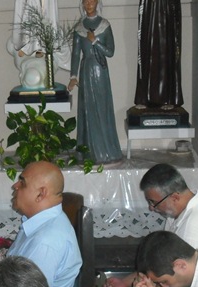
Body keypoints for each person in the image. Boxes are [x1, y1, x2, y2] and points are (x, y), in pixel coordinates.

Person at [68, 0, 122, 164]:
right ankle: (89, 151)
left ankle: (106, 150)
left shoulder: (104, 25)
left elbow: (110, 52)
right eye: (86, 1)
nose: (89, 4)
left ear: (97, 2)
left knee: (101, 108)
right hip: (86, 71)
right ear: (83, 4)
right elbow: (76, 54)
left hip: (100, 70)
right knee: (88, 109)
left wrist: (95, 41)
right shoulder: (79, 28)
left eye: (92, 0)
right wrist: (73, 76)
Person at [133, 0, 184, 109]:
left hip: (167, 8)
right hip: (149, 8)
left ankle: (168, 98)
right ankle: (144, 98)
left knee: (168, 51)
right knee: (146, 50)